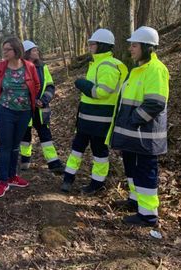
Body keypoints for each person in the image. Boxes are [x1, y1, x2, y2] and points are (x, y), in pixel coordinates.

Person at [110, 26, 169, 227]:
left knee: (145, 171)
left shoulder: (156, 69)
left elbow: (155, 103)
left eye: (134, 45)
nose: (130, 49)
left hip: (145, 135)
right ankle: (135, 202)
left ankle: (148, 215)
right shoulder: (137, 70)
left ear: (146, 47)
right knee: (131, 169)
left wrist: (133, 120)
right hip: (132, 135)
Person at [60, 29, 128, 195]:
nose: (90, 46)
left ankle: (97, 184)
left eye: (93, 44)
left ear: (102, 45)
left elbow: (102, 92)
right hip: (86, 119)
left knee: (99, 153)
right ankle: (68, 179)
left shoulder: (108, 65)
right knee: (76, 149)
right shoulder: (97, 63)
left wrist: (82, 84)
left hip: (101, 121)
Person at [0, 37, 40, 198]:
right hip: (5, 112)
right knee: (5, 146)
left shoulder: (29, 66)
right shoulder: (0, 67)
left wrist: (31, 101)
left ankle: (12, 176)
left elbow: (36, 85)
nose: (4, 52)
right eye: (4, 50)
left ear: (16, 50)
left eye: (7, 49)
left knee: (16, 145)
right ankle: (2, 181)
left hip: (24, 112)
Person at [19, 40, 65, 173]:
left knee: (45, 135)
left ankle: (53, 162)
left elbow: (50, 86)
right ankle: (25, 159)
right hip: (25, 108)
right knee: (25, 135)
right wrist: (31, 100)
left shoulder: (43, 67)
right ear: (27, 53)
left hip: (41, 108)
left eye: (36, 50)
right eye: (34, 50)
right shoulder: (20, 68)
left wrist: (44, 100)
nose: (37, 52)